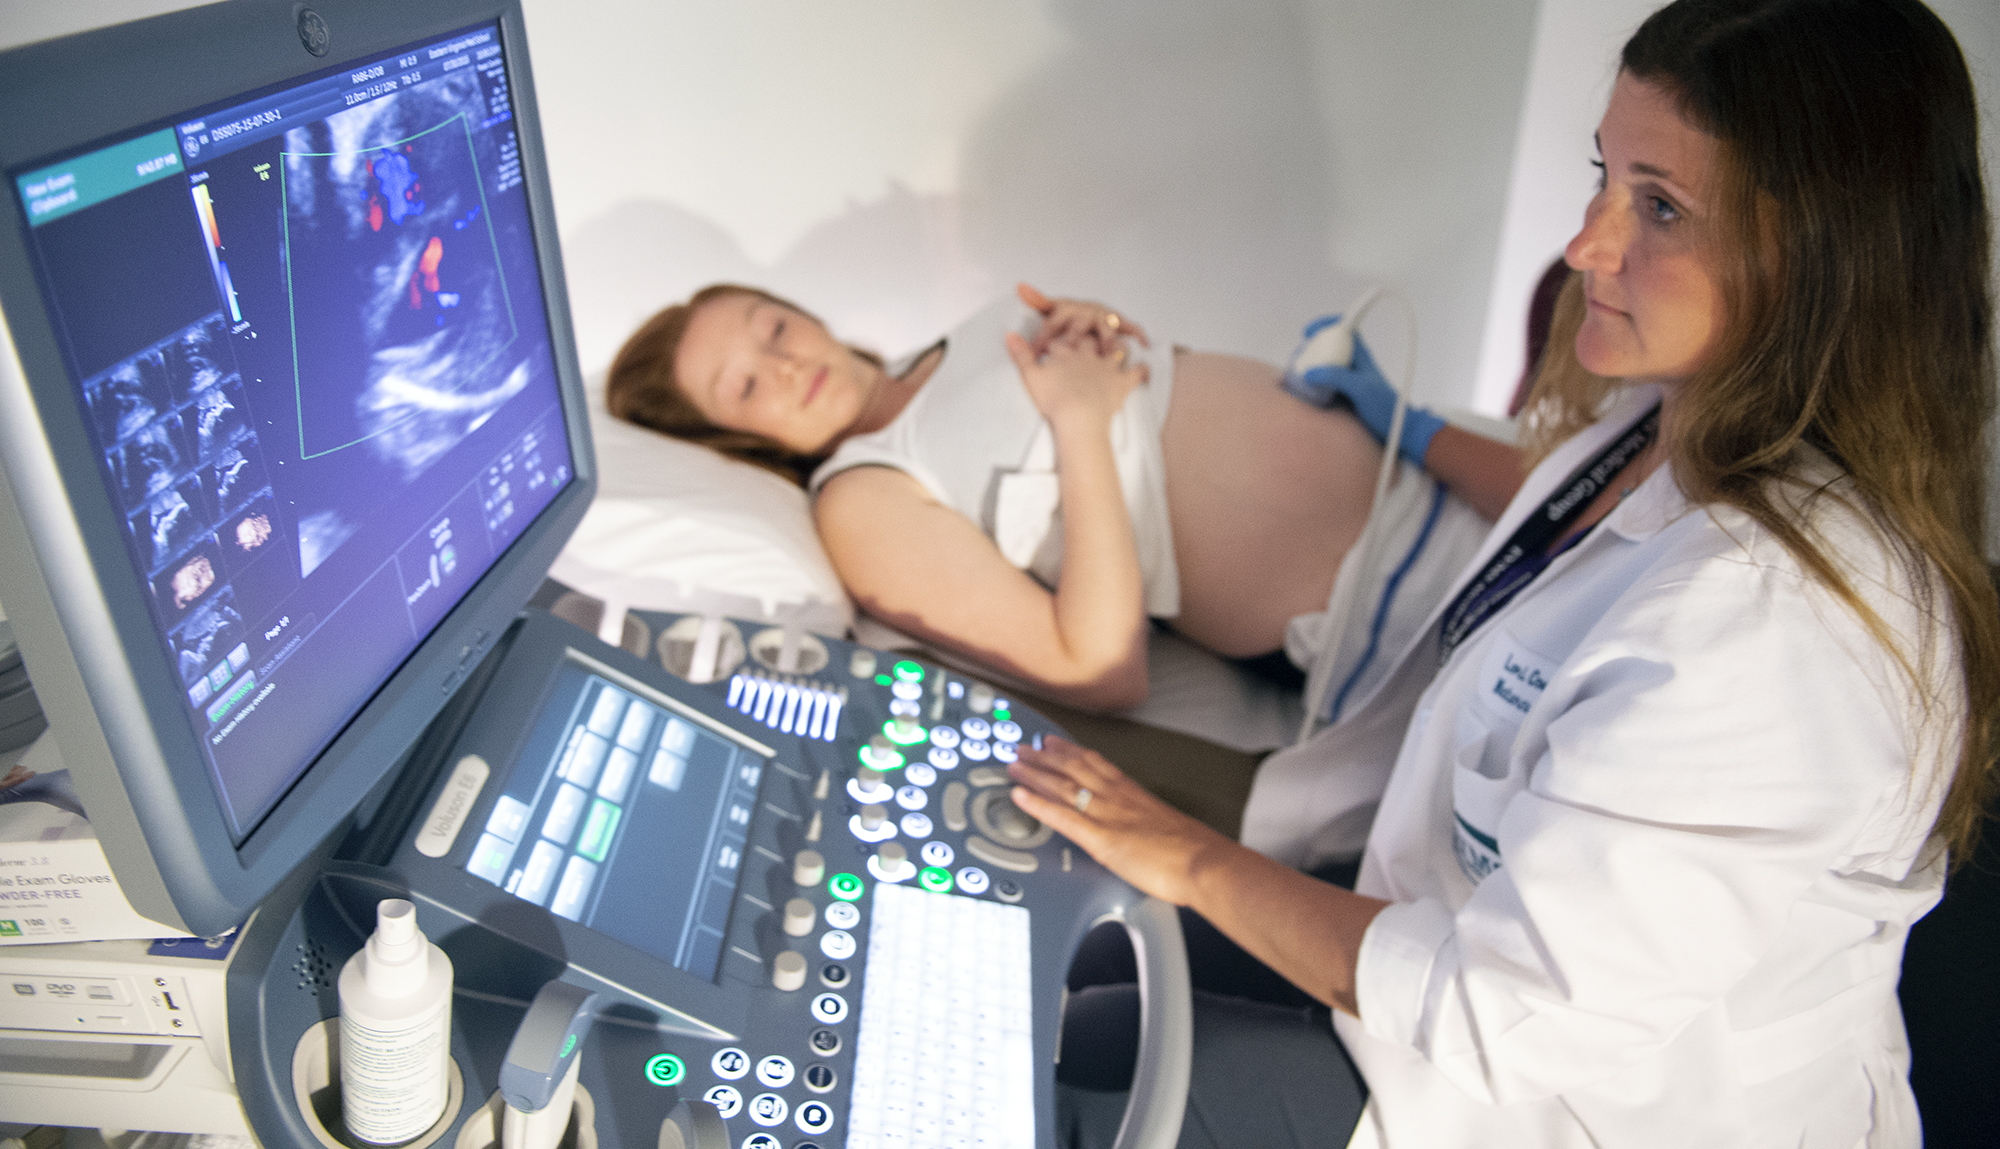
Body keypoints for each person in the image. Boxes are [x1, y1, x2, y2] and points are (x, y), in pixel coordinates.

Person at [1006, 0, 2000, 1145]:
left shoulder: (1779, 628)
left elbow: (1504, 1012)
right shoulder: (1646, 432)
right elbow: (1534, 506)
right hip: (1413, 956)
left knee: (1063, 1097)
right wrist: (1404, 421)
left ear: (1820, 266)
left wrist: (1194, 858)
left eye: (1659, 208)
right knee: (1079, 999)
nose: (1584, 245)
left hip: (1543, 1104)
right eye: (1604, 176)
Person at [607, 282, 1523, 711]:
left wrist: (1115, 335)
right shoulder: (861, 500)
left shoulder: (960, 334)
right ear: (738, 438)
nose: (784, 363)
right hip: (1396, 599)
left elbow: (1152, 410)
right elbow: (1096, 666)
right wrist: (1081, 425)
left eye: (772, 326)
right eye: (746, 386)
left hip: (1440, 462)